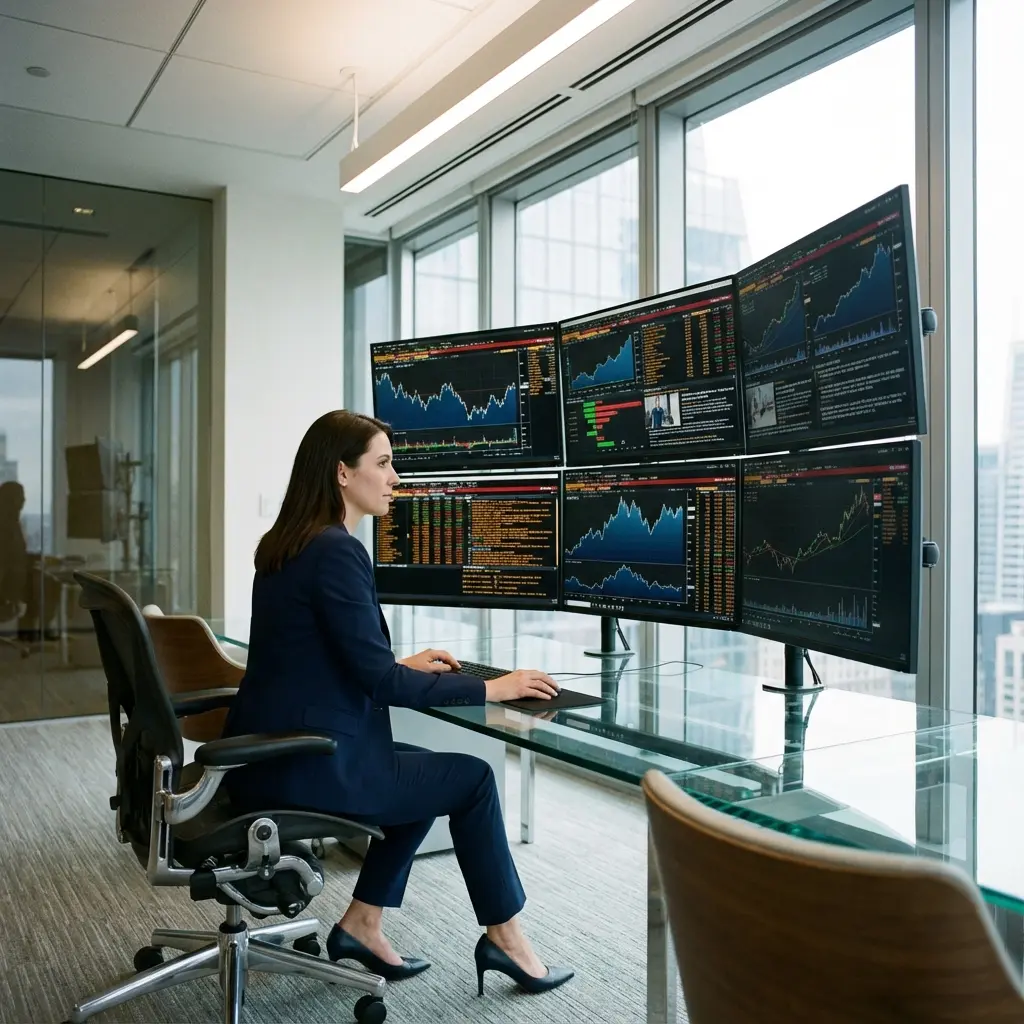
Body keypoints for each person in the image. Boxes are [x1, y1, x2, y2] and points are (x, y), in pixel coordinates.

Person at [221, 410, 573, 997]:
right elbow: (381, 687)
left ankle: (363, 923)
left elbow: (313, 659)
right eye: (383, 463)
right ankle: (507, 940)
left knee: (422, 775)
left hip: (270, 755)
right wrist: (493, 687)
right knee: (473, 779)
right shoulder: (336, 551)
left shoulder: (288, 543)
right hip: (309, 765)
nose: (395, 478)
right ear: (342, 473)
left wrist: (397, 665)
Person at [0, 481, 28, 628]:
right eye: (20, 496)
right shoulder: (5, 527)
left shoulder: (13, 523)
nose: (24, 500)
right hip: (6, 593)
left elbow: (16, 554)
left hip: (11, 590)